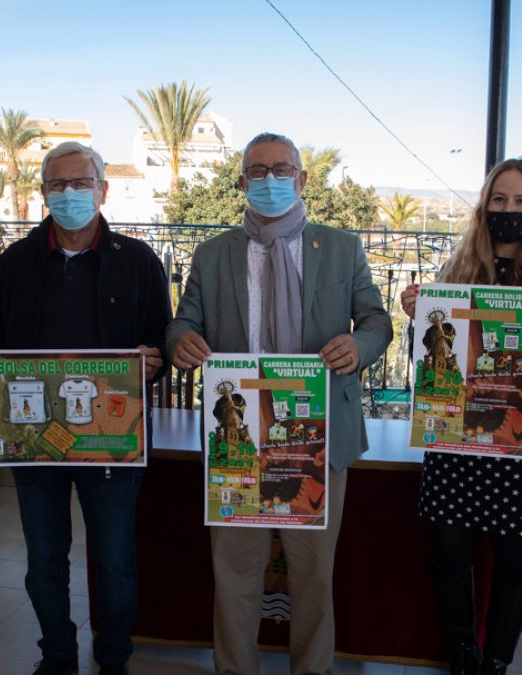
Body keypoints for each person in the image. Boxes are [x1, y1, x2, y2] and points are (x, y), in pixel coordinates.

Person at [166, 132, 393, 675]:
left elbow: (379, 321)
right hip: (237, 442)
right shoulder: (212, 253)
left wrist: (358, 346)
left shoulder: (341, 247)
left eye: (281, 169)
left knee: (313, 576)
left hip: (316, 437)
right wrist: (180, 342)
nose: (270, 180)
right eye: (258, 171)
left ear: (302, 178)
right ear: (242, 182)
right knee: (235, 573)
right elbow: (183, 320)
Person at [0, 141, 172, 675]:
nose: (70, 193)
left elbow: (161, 343)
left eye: (82, 183)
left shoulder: (139, 261)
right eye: (59, 184)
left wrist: (155, 361)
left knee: (116, 562)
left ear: (103, 190)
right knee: (44, 563)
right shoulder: (15, 262)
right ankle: (57, 654)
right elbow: (1, 339)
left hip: (111, 438)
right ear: (43, 193)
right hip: (36, 441)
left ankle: (114, 657)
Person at [399, 157, 522, 675]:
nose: (509, 210)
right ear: (485, 207)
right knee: (451, 552)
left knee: (513, 557)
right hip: (456, 436)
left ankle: (497, 661)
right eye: (499, 199)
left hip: (516, 442)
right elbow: (431, 371)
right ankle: (463, 653)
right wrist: (418, 318)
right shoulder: (456, 273)